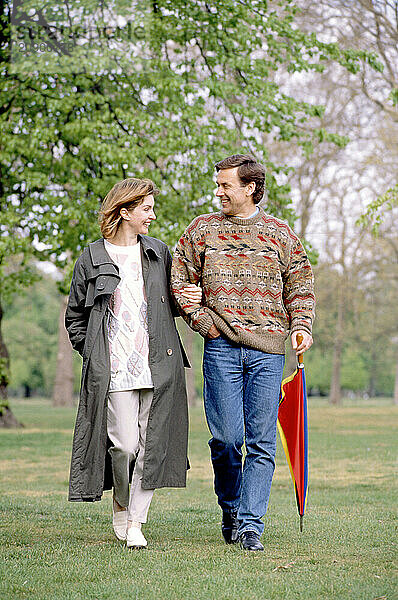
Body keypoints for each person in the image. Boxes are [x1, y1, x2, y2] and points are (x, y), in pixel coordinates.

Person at [171, 155, 315, 551]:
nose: (218, 191)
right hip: (221, 349)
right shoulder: (202, 230)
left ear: (250, 188)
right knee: (227, 439)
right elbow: (178, 277)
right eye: (218, 185)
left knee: (263, 442)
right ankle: (231, 507)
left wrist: (301, 326)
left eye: (225, 185)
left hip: (269, 352)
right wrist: (202, 322)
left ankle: (251, 526)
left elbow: (300, 283)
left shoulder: (280, 234)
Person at [65, 177, 202, 548]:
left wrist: (190, 296)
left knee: (152, 445)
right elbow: (75, 316)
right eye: (146, 209)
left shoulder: (158, 252)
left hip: (159, 366)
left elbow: (170, 302)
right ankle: (121, 505)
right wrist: (92, 353)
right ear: (125, 211)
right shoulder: (92, 257)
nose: (152, 216)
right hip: (113, 369)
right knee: (124, 445)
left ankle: (136, 523)